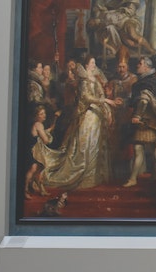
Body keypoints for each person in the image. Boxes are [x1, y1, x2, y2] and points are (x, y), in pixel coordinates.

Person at [34, 56, 118, 190]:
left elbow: (99, 95)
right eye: (91, 63)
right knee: (84, 145)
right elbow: (86, 97)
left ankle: (94, 175)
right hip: (88, 114)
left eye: (94, 63)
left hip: (96, 114)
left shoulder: (95, 78)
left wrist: (106, 107)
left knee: (95, 144)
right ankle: (83, 174)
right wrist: (105, 102)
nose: (94, 65)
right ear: (85, 65)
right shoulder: (83, 80)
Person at [123, 56, 156, 187]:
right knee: (152, 147)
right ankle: (154, 175)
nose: (137, 66)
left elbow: (144, 100)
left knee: (140, 148)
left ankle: (134, 178)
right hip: (150, 120)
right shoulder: (152, 81)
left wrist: (137, 116)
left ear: (146, 66)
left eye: (140, 64)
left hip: (146, 121)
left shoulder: (148, 83)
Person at [25, 105, 55, 199]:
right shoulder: (38, 124)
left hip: (36, 151)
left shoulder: (38, 125)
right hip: (34, 151)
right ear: (36, 116)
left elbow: (46, 131)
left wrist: (54, 121)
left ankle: (41, 190)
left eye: (44, 113)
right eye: (41, 114)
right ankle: (24, 190)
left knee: (38, 170)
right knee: (33, 169)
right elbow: (45, 140)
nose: (44, 115)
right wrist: (48, 138)